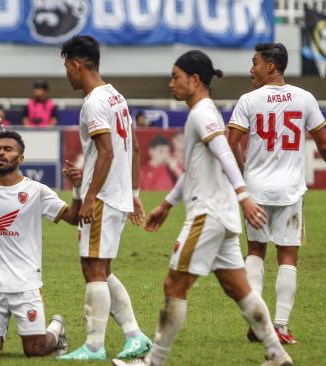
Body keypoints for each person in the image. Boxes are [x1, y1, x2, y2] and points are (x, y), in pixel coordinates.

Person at [112, 50, 293, 366]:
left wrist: (243, 195)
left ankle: (153, 361)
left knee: (174, 285)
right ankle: (277, 353)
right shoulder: (205, 111)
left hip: (207, 214)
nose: (171, 83)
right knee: (238, 287)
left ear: (194, 79)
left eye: (175, 76)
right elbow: (197, 167)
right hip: (222, 217)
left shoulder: (201, 114)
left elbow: (225, 152)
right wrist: (167, 204)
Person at [227, 43, 326, 345]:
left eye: (255, 63)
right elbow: (323, 143)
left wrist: (241, 174)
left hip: (255, 190)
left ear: (271, 66)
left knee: (255, 251)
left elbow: (231, 143)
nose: (251, 68)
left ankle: (257, 323)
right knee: (288, 256)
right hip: (290, 191)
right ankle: (279, 326)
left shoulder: (248, 100)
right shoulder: (305, 98)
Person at [57, 35, 152, 361]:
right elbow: (134, 149)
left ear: (76, 64)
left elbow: (108, 152)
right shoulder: (116, 97)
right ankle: (134, 335)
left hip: (105, 198)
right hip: (116, 194)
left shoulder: (94, 102)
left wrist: (90, 196)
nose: (66, 75)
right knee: (100, 268)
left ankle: (95, 346)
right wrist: (135, 193)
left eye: (66, 67)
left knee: (93, 269)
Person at [0, 130, 82, 359]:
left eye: (8, 149)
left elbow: (73, 218)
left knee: (35, 351)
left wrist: (78, 190)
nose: (1, 153)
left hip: (26, 284)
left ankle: (56, 328)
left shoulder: (36, 191)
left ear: (20, 159)